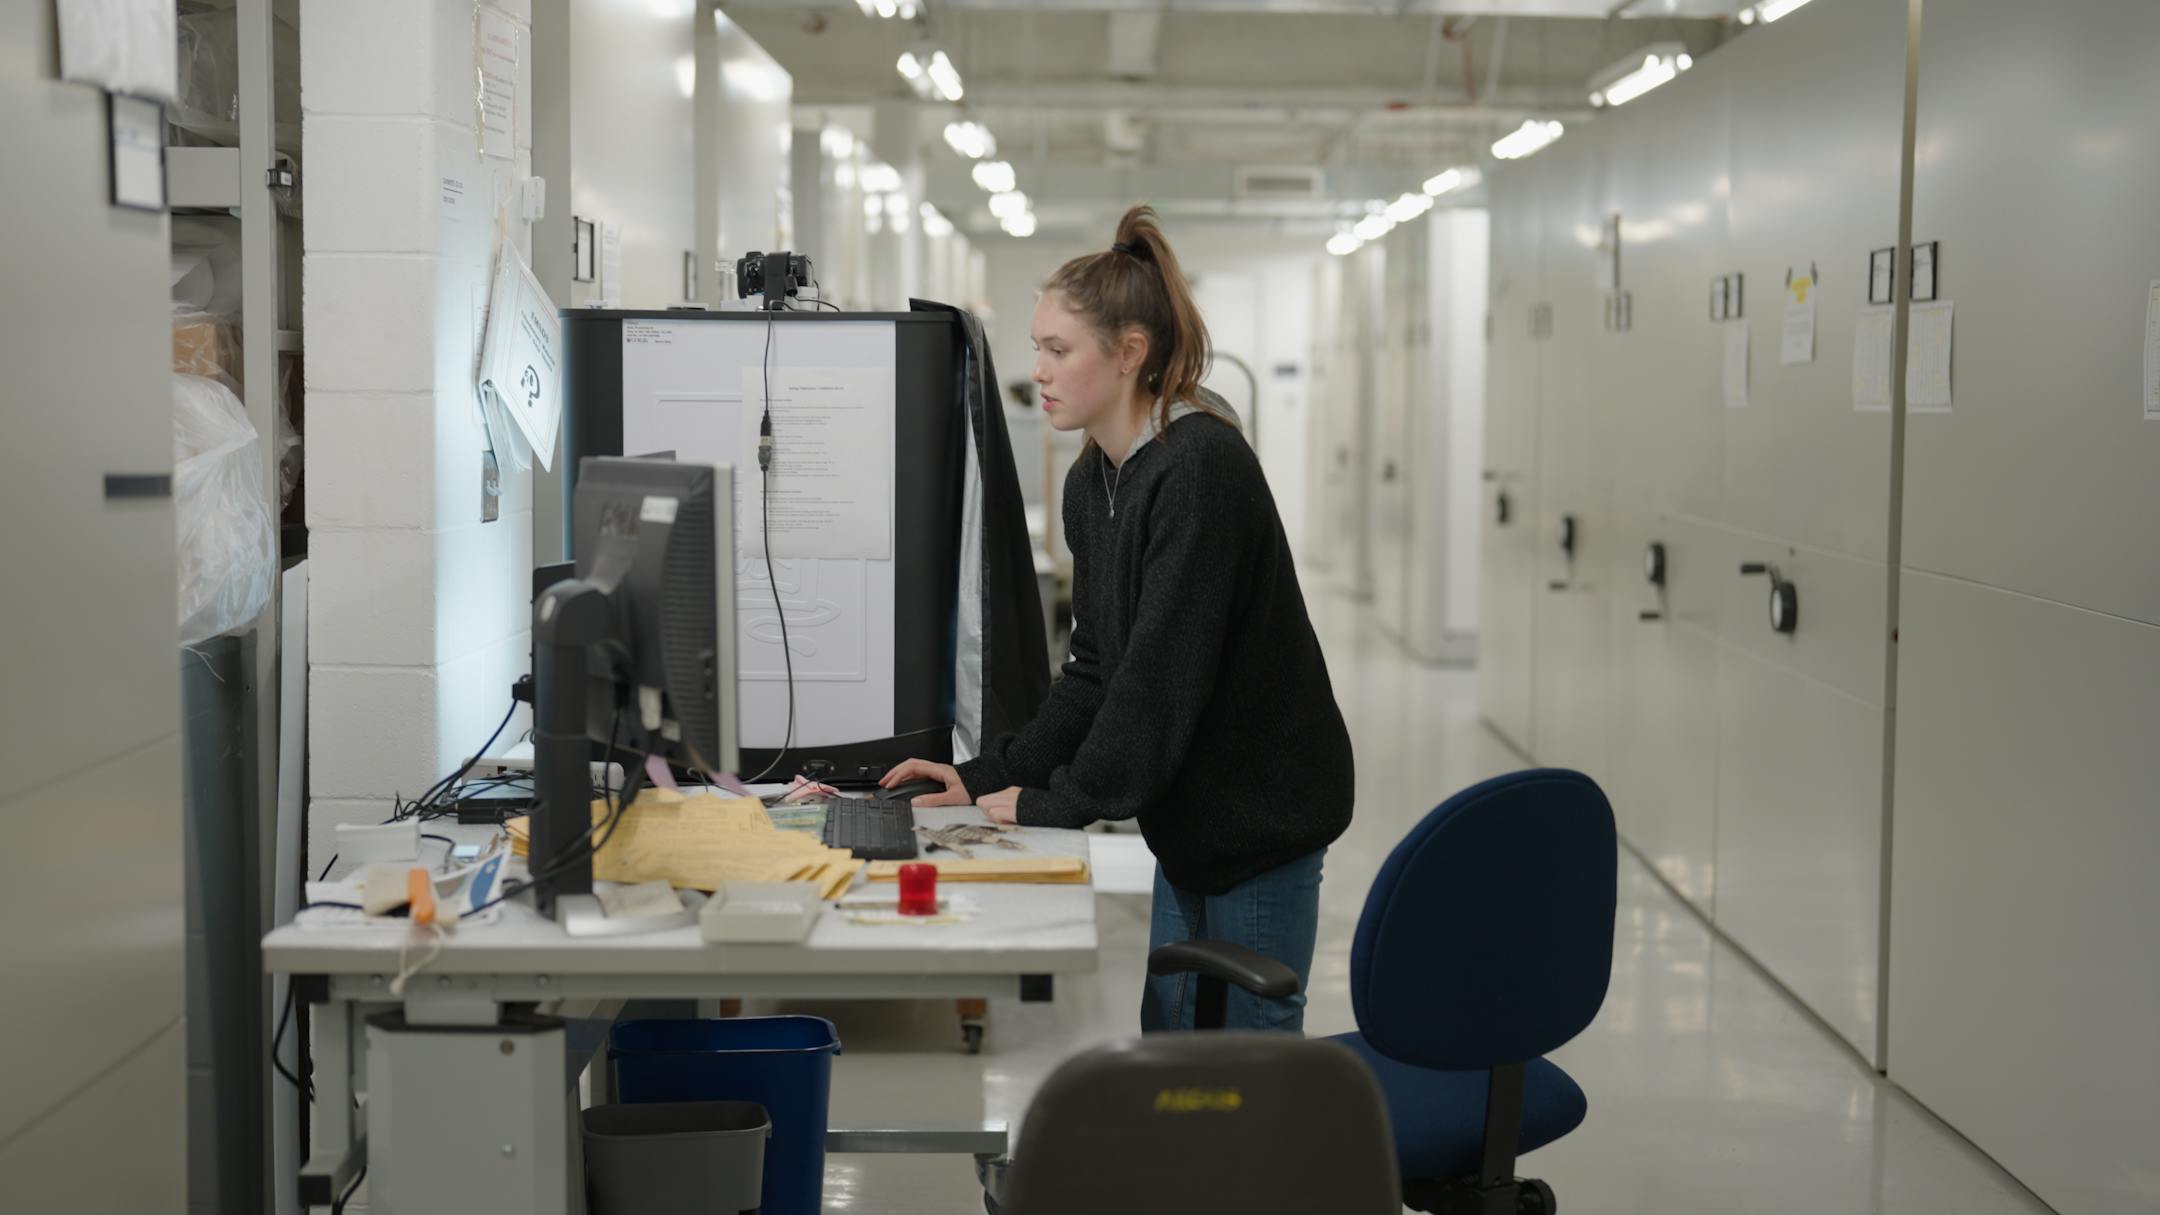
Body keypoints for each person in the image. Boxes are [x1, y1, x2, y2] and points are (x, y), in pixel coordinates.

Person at [883, 204, 1355, 1034]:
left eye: (1058, 349)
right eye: (1036, 348)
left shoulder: (1200, 467)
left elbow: (1158, 681)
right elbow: (1096, 666)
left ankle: (1257, 1169)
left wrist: (1055, 802)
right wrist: (990, 774)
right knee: (1171, 1035)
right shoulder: (1093, 480)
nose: (1040, 371)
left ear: (1131, 352)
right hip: (1191, 815)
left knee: (1251, 1056)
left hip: (1261, 812)